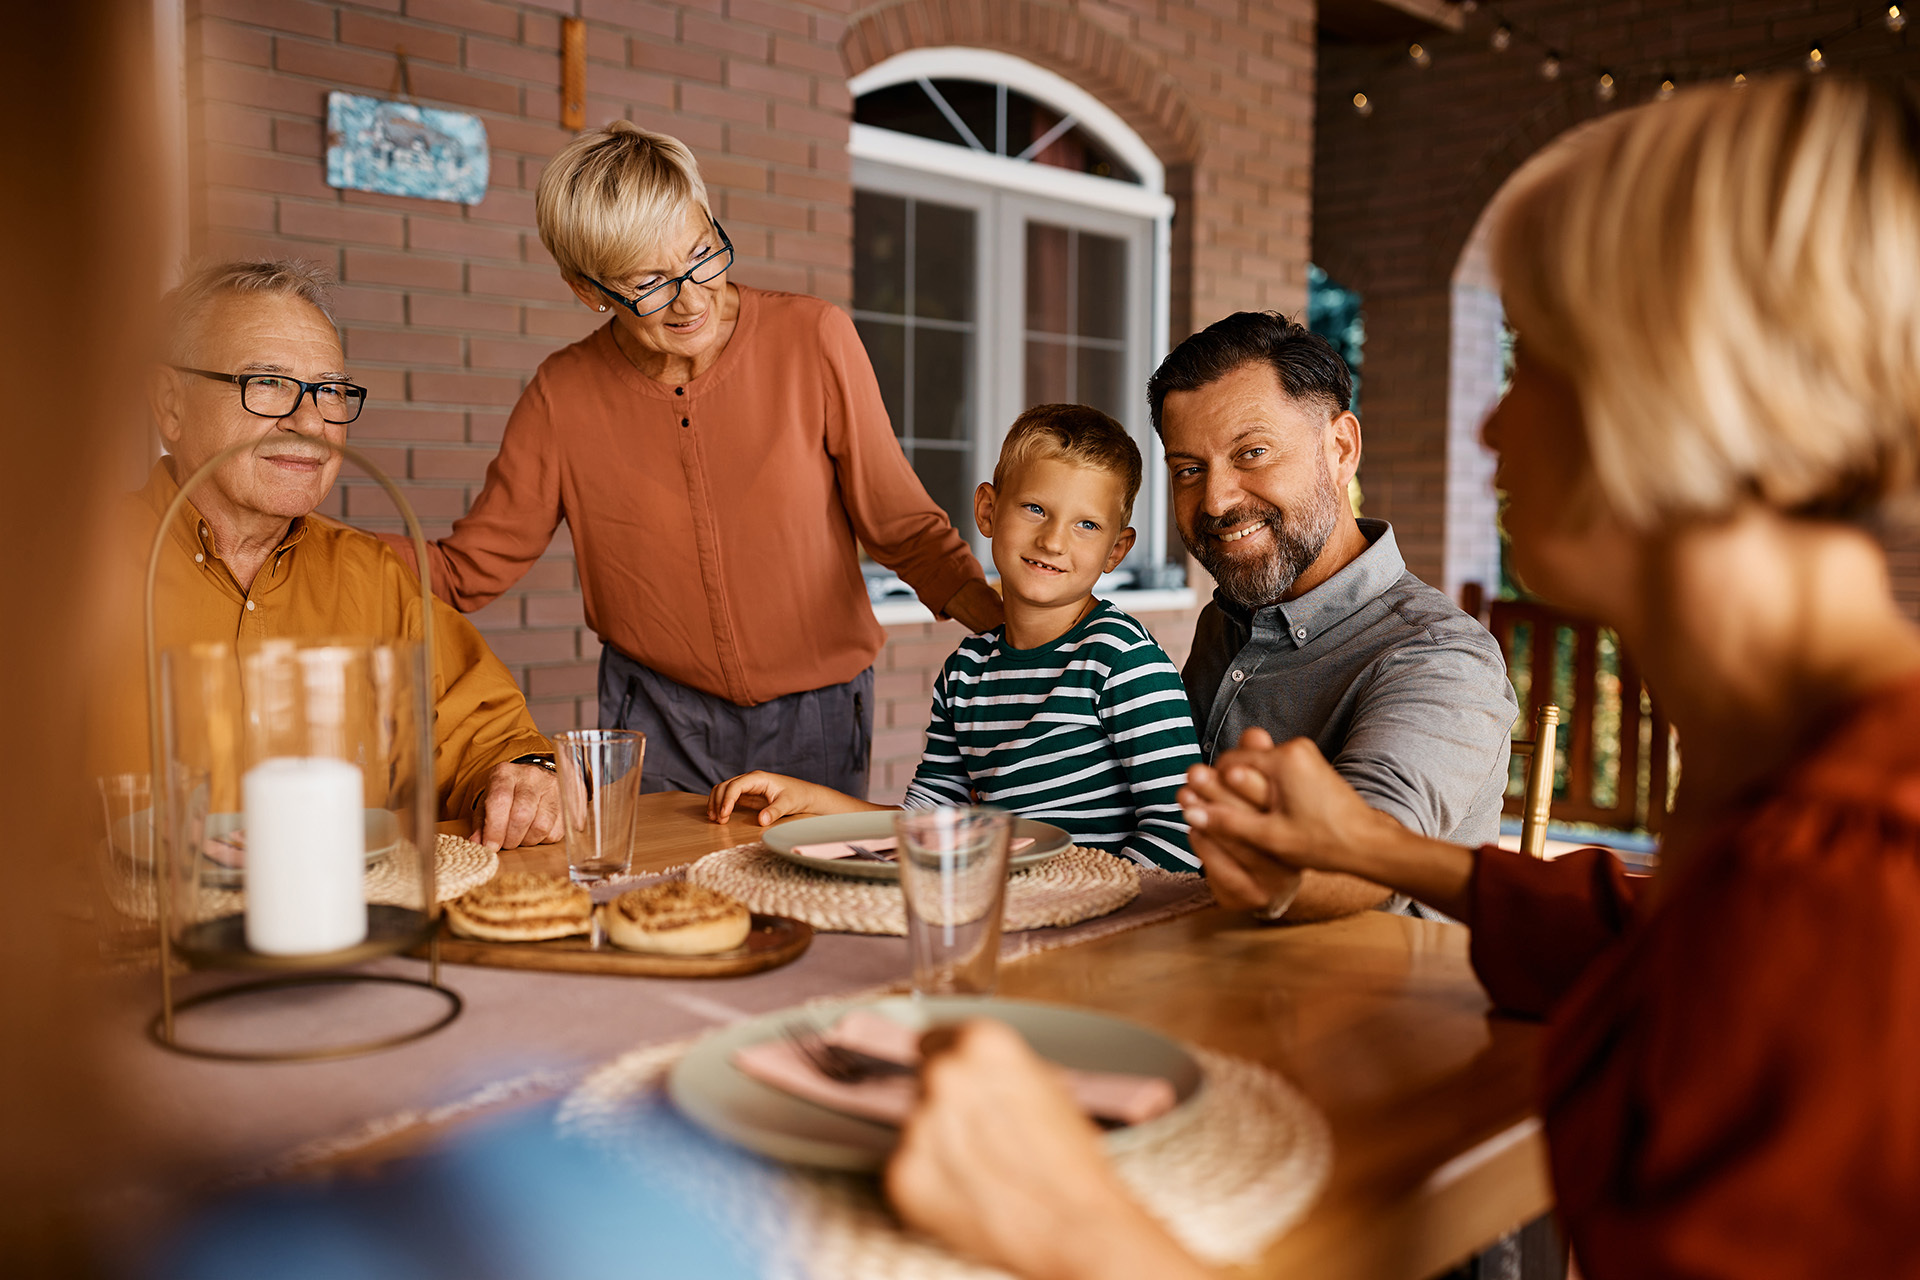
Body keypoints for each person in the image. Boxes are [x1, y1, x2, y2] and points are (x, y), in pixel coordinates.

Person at [885, 75, 1920, 1279]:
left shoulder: (1851, 880)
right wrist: (1386, 853)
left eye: (1534, 361)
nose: (1488, 430)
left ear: (1687, 396)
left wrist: (1090, 1241)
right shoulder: (1781, 774)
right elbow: (1647, 936)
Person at [381, 123, 1000, 797]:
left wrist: (1021, 633)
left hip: (816, 712)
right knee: (660, 899)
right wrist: (306, 546)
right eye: (649, 282)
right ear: (587, 289)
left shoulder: (812, 338)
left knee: (808, 900)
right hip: (654, 716)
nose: (692, 297)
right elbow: (467, 570)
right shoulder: (563, 394)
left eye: (703, 253)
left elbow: (902, 527)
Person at [101, 260, 561, 850]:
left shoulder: (373, 577)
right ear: (170, 403)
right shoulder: (61, 573)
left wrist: (526, 778)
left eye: (331, 391)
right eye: (267, 383)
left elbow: (491, 738)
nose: (310, 420)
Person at [708, 405, 1203, 871]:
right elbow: (928, 824)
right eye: (1034, 508)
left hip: (1098, 926)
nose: (1053, 541)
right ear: (987, 510)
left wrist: (1087, 905)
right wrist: (811, 802)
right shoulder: (966, 671)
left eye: (1086, 525)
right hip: (1002, 913)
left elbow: (1184, 829)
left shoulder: (1122, 660)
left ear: (1116, 550)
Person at [1151, 312, 1515, 919]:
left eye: (1252, 453)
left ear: (1341, 448)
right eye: (1189, 469)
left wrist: (1279, 870)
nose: (1215, 500)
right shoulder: (1229, 620)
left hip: (1373, 1004)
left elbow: (1372, 846)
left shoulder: (1440, 656)